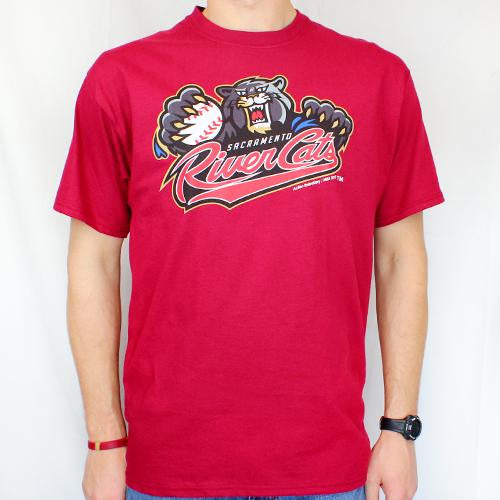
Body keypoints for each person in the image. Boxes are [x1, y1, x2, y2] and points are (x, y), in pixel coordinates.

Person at [52, 1, 444, 499]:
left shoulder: (379, 79)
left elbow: (399, 257)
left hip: (328, 470)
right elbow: (94, 261)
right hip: (167, 474)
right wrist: (104, 441)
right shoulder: (121, 78)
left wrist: (400, 427)